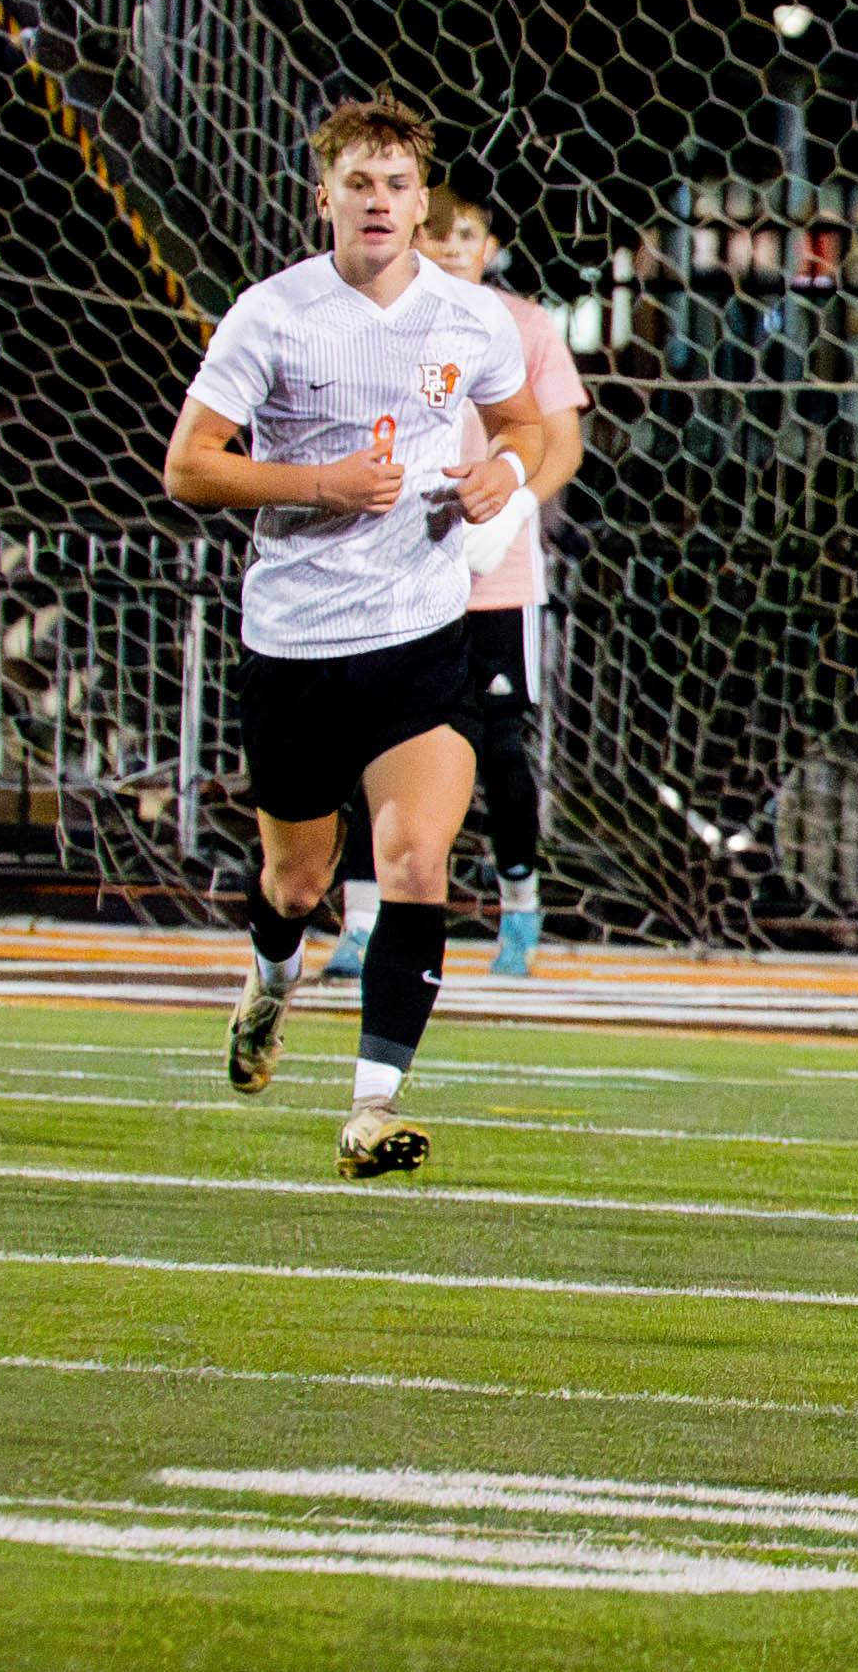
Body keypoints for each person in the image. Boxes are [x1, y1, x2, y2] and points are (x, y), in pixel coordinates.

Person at [162, 95, 544, 1178]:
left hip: (421, 635)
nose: (378, 203)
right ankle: (269, 983)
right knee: (296, 883)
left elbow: (527, 426)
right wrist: (318, 484)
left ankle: (372, 1110)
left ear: (423, 201)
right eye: (357, 184)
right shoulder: (272, 315)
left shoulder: (468, 317)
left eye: (395, 184)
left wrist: (500, 475)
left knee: (417, 860)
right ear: (322, 196)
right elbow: (190, 465)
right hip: (293, 641)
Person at [324, 187, 591, 981]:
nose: (447, 247)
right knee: (372, 745)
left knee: (502, 750)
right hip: (396, 575)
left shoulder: (524, 325)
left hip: (491, 576)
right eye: (434, 233)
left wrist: (511, 509)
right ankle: (362, 919)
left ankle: (519, 911)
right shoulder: (381, 320)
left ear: (490, 244)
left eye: (464, 234)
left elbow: (561, 444)